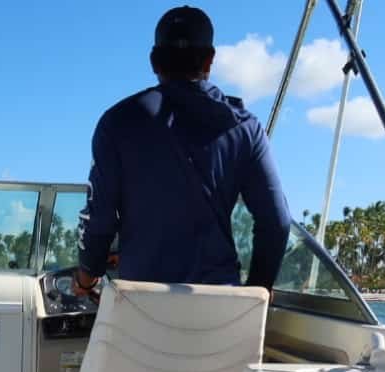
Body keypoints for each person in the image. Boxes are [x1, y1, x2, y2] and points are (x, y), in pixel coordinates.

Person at [74, 6, 292, 298]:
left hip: (142, 305)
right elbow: (276, 222)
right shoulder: (245, 128)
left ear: (154, 61)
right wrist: (256, 294)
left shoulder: (117, 122)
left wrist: (86, 277)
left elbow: (99, 221)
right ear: (210, 59)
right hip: (221, 307)